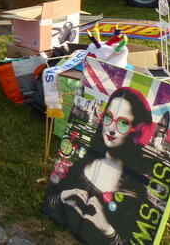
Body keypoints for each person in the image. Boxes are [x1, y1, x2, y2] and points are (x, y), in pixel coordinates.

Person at [44, 87, 155, 245]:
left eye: (123, 123)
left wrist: (107, 230)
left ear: (138, 132)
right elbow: (51, 202)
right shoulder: (83, 163)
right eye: (108, 117)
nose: (111, 128)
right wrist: (62, 196)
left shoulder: (135, 192)